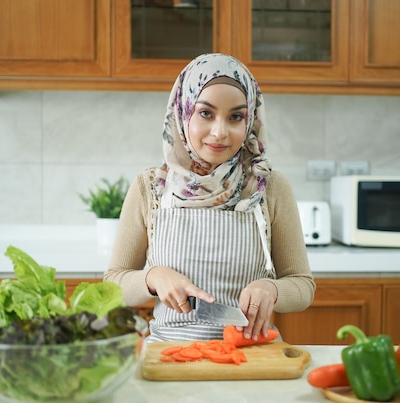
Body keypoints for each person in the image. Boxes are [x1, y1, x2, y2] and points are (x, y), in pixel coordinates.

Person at [104, 53, 315, 343]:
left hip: (251, 356)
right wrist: (153, 278)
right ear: (183, 111)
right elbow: (113, 283)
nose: (219, 132)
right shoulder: (151, 187)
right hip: (168, 357)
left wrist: (273, 289)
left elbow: (303, 286)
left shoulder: (270, 187)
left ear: (251, 119)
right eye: (206, 113)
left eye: (236, 117)